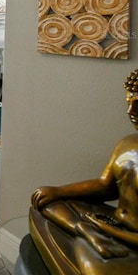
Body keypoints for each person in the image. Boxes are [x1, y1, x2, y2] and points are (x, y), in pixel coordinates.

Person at [28, 69, 138, 275]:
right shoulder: (127, 143)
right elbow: (106, 187)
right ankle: (84, 229)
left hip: (126, 236)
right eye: (129, 102)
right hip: (109, 222)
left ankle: (89, 234)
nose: (131, 111)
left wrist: (107, 230)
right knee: (45, 201)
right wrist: (58, 191)